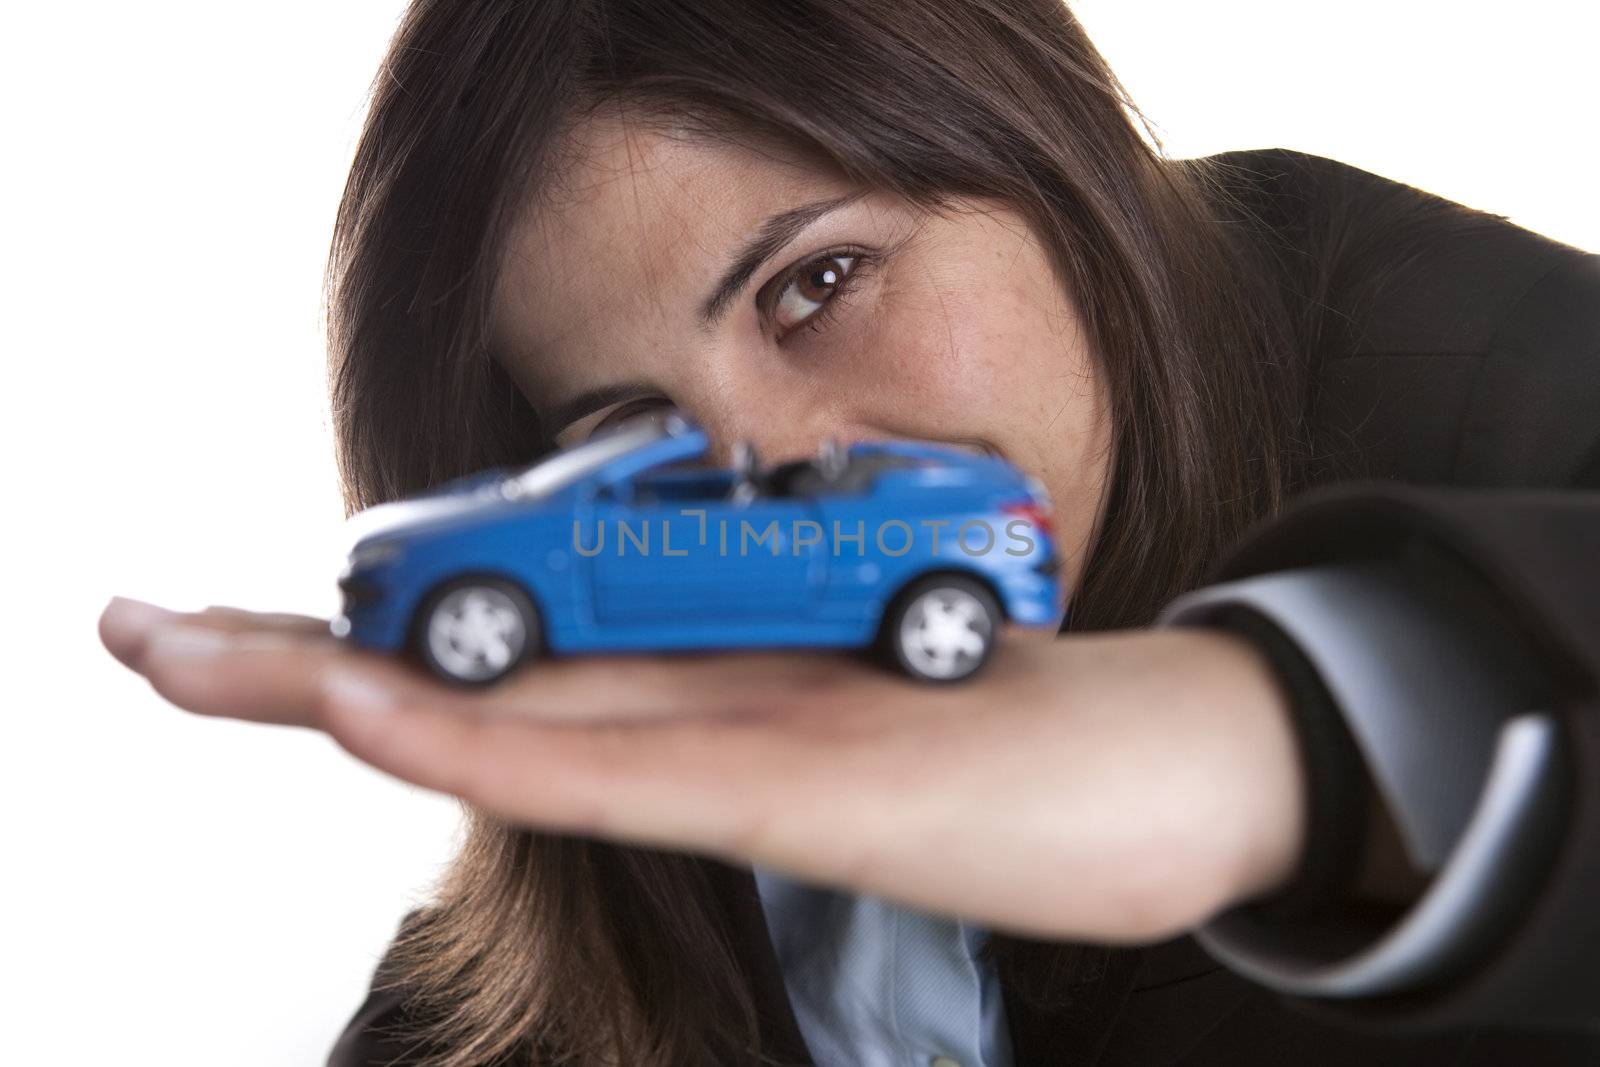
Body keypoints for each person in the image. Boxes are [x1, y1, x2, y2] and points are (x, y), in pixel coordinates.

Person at [94, 1, 1600, 1064]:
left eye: (817, 285)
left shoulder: (1477, 367)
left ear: (1041, 146)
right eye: (630, 431)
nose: (767, 462)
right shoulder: (561, 898)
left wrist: (1290, 751)